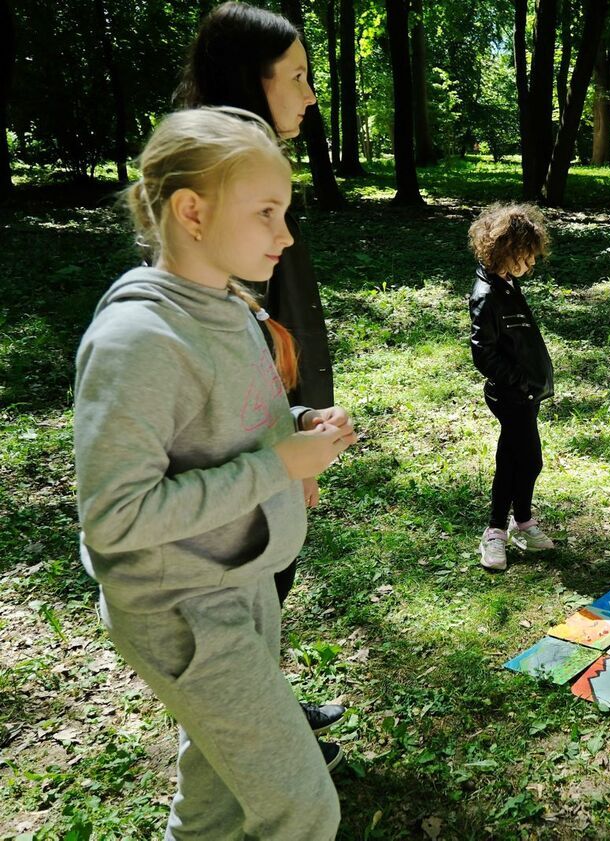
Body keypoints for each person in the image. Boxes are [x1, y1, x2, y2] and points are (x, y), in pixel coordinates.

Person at [75, 108, 356, 838]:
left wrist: (299, 431)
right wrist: (275, 465)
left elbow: (228, 433)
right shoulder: (139, 338)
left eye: (285, 211)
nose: (286, 233)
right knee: (304, 807)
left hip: (241, 583)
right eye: (266, 211)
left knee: (217, 793)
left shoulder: (230, 304)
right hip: (183, 612)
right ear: (192, 211)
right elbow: (116, 517)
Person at [175, 0, 332, 605]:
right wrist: (286, 454)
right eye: (296, 76)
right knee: (239, 598)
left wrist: (301, 423)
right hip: (232, 462)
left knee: (269, 583)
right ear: (250, 79)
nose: (310, 94)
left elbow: (277, 323)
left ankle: (267, 701)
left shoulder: (248, 174)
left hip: (268, 434)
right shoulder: (216, 185)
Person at [467, 203, 556, 571]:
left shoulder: (507, 283)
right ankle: (494, 532)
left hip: (528, 393)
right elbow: (484, 356)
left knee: (527, 460)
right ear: (506, 250)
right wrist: (522, 382)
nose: (532, 263)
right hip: (511, 395)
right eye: (527, 256)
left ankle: (523, 523)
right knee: (517, 461)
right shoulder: (486, 294)